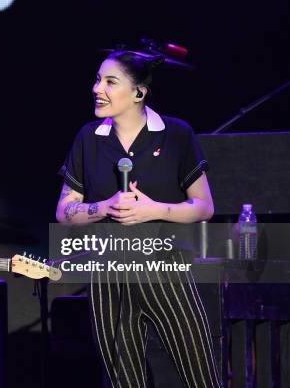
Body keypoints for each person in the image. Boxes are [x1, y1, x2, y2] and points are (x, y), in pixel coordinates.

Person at [56, 51, 221, 387]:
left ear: (139, 93)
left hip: (165, 268)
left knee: (198, 373)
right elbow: (64, 211)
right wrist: (103, 207)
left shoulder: (175, 134)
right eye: (97, 79)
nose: (96, 88)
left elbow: (204, 207)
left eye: (109, 81)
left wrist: (154, 210)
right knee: (122, 379)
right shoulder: (89, 138)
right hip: (108, 273)